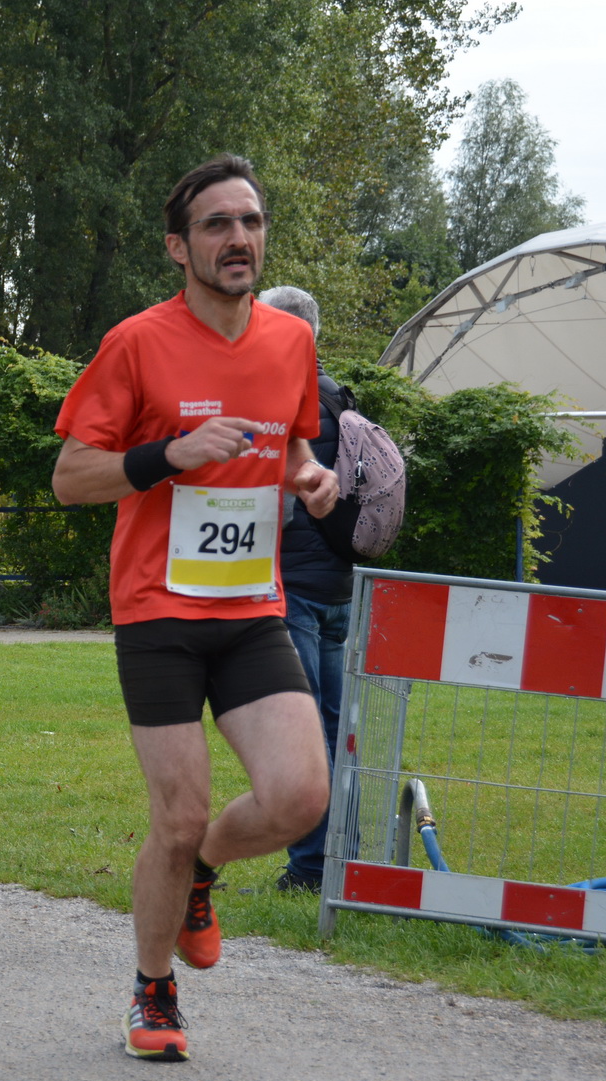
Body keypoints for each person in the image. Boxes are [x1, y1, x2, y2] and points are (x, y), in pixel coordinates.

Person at [51, 154, 337, 1063]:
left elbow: (286, 451)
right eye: (216, 224)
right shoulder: (137, 342)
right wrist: (168, 454)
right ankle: (154, 988)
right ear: (180, 247)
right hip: (159, 611)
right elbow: (69, 479)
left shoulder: (291, 342)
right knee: (172, 816)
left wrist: (311, 476)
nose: (238, 238)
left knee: (300, 795)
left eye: (250, 221)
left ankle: (204, 871)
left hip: (251, 607)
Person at [256, 286, 352, 894]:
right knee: (339, 729)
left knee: (302, 730)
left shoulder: (286, 396)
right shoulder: (342, 396)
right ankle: (346, 856)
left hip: (295, 586)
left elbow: (287, 496)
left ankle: (313, 867)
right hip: (339, 585)